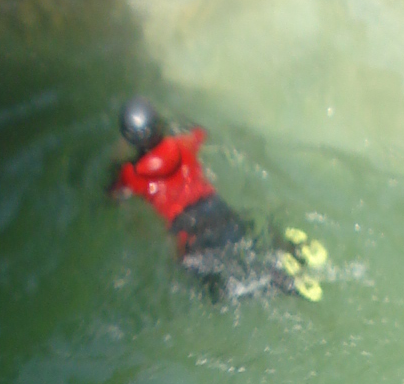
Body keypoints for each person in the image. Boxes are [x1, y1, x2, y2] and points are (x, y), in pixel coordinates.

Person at [109, 97, 324, 300]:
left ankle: (285, 283)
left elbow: (114, 195)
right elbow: (201, 132)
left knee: (218, 290)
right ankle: (289, 251)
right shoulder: (183, 145)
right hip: (217, 209)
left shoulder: (131, 175)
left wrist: (116, 159)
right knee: (247, 247)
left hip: (189, 232)